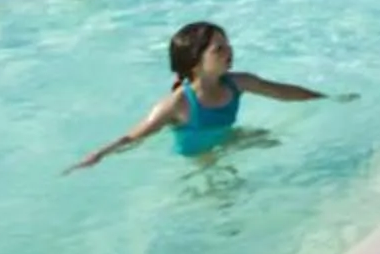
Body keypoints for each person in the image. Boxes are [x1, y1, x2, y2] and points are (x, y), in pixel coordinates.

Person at [71, 21, 333, 167]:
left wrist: (325, 99)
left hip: (226, 137)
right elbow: (134, 136)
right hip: (199, 156)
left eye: (228, 45)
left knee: (273, 140)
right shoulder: (177, 104)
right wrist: (99, 155)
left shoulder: (238, 83)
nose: (229, 52)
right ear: (195, 62)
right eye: (219, 49)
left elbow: (281, 92)